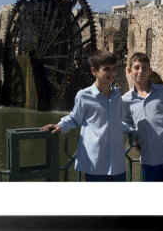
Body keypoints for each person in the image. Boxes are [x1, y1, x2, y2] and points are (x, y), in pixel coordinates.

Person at [40, 50, 126, 182]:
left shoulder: (117, 95)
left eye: (114, 69)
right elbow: (75, 118)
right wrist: (60, 125)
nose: (112, 73)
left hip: (117, 163)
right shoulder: (83, 95)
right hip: (96, 163)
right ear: (94, 71)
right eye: (106, 69)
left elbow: (122, 120)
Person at [122, 52, 163, 182]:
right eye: (137, 67)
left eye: (144, 67)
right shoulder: (125, 100)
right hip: (149, 159)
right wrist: (137, 137)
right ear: (129, 70)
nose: (140, 71)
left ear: (149, 70)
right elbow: (126, 123)